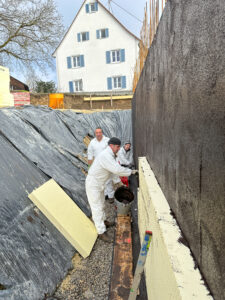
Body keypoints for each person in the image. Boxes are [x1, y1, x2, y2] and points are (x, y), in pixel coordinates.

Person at [86, 137, 138, 242]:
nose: (119, 148)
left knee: (101, 204)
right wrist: (131, 172)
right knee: (96, 207)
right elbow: (116, 169)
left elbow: (112, 171)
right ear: (112, 146)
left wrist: (118, 182)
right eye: (118, 146)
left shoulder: (110, 155)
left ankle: (104, 221)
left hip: (99, 184)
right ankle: (101, 232)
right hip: (93, 185)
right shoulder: (105, 155)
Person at [87, 127, 115, 203]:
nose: (98, 134)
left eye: (100, 132)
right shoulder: (92, 143)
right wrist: (89, 167)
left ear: (102, 133)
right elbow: (90, 155)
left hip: (107, 163)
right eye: (97, 133)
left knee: (108, 180)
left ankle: (111, 196)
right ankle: (105, 194)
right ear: (95, 134)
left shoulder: (107, 140)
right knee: (101, 180)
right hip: (98, 165)